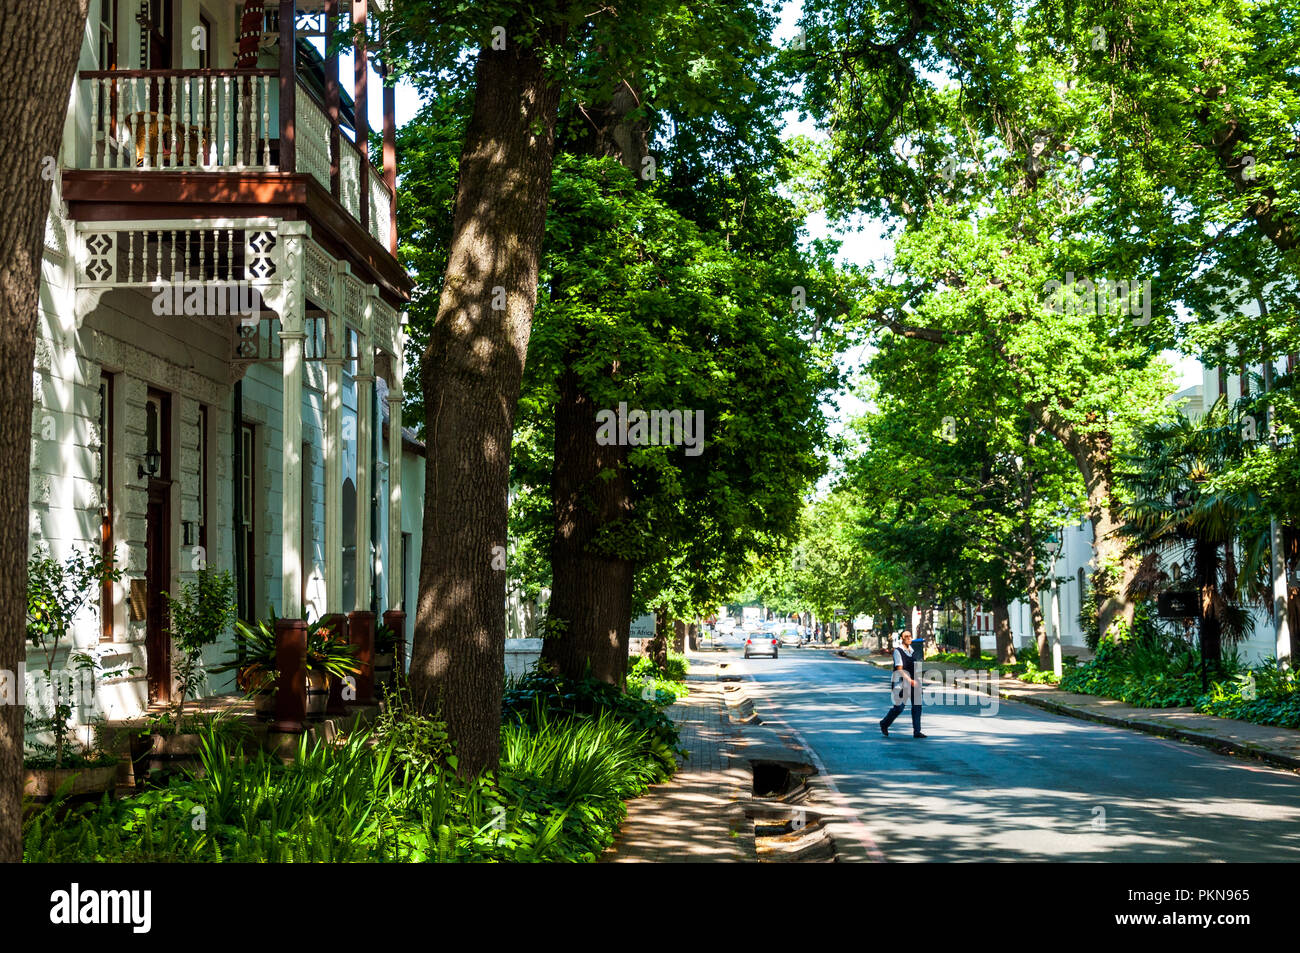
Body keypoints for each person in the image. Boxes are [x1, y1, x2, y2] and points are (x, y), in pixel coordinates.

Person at [879, 629, 926, 738]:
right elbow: (899, 669)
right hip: (901, 683)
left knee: (917, 706)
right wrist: (909, 681)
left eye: (910, 636)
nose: (909, 638)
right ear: (902, 638)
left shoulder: (912, 650)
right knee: (899, 708)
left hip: (913, 682)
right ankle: (884, 723)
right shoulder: (898, 651)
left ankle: (917, 731)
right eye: (906, 636)